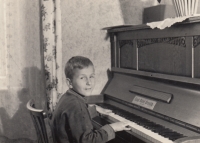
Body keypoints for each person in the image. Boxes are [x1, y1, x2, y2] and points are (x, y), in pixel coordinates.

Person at [50, 56, 131, 143]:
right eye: (82, 78)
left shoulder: (68, 97)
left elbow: (76, 119)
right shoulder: (77, 105)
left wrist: (94, 110)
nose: (89, 82)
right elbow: (88, 140)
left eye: (91, 76)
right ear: (70, 83)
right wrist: (112, 127)